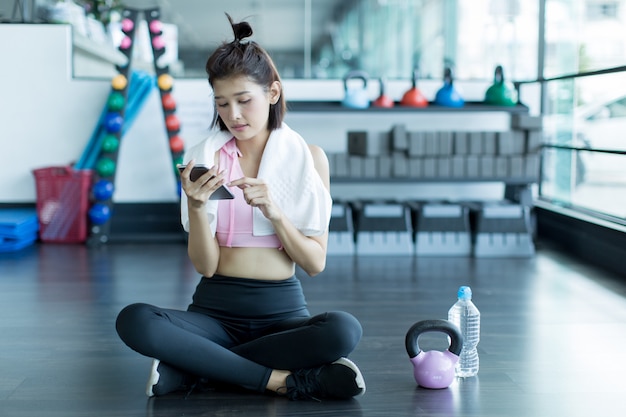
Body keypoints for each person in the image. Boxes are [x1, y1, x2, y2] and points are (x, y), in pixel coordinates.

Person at [115, 13, 366, 401]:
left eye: (244, 100)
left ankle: (197, 368)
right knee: (135, 320)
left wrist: (275, 213)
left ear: (273, 93)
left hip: (282, 314)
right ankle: (280, 381)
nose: (233, 115)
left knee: (343, 330)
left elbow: (315, 264)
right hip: (213, 312)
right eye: (222, 103)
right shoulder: (205, 157)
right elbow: (206, 266)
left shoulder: (309, 159)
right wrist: (197, 207)